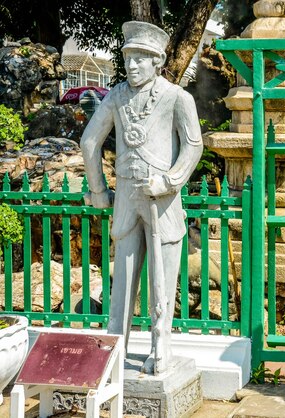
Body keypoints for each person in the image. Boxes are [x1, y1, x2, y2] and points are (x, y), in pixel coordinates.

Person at [81, 21, 203, 375]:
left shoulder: (177, 98)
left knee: (162, 278)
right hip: (127, 199)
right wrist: (99, 190)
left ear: (158, 62)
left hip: (161, 201)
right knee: (123, 277)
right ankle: (113, 346)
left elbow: (193, 145)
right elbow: (89, 141)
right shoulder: (116, 96)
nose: (132, 65)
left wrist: (169, 181)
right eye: (129, 58)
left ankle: (160, 344)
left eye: (140, 59)